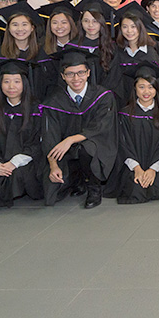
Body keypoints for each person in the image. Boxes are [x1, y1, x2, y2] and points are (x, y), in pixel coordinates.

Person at [41, 48, 117, 209]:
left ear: (88, 73)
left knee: (86, 148)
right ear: (62, 76)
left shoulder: (103, 96)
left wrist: (71, 139)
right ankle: (77, 179)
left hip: (97, 145)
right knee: (51, 192)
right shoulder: (54, 101)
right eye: (70, 74)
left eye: (81, 72)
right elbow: (50, 135)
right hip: (67, 151)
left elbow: (101, 127)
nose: (76, 78)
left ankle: (94, 187)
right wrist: (53, 165)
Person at [0, 60, 45, 208]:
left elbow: (37, 142)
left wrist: (14, 162)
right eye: (6, 81)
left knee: (20, 174)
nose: (11, 87)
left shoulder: (36, 109)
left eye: (17, 81)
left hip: (27, 160)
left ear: (25, 84)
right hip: (0, 159)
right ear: (0, 84)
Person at [113, 63, 159, 205]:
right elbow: (123, 143)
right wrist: (136, 168)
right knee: (135, 188)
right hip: (133, 165)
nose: (146, 91)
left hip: (158, 165)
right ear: (135, 89)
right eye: (141, 87)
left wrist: (153, 169)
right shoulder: (125, 114)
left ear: (156, 89)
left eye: (150, 87)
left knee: (155, 185)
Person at [0, 1, 45, 99]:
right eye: (15, 24)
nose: (20, 29)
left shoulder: (43, 54)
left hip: (39, 109)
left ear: (32, 28)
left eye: (24, 24)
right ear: (9, 29)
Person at [70, 0, 116, 77]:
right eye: (86, 21)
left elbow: (114, 77)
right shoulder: (72, 47)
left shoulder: (112, 47)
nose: (90, 25)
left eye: (95, 21)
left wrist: (103, 90)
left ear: (101, 23)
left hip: (107, 89)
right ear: (81, 23)